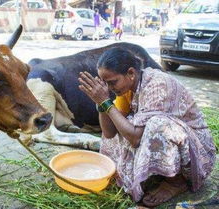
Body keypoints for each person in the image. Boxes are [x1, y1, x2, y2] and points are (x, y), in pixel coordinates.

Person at [78, 48, 216, 207]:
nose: (109, 88)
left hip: (197, 151)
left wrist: (105, 103)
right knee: (119, 121)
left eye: (112, 82)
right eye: (105, 84)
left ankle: (177, 182)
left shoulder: (157, 84)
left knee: (157, 126)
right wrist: (100, 103)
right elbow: (109, 134)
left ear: (130, 73)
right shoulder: (127, 89)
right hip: (174, 143)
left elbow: (135, 138)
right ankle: (155, 174)